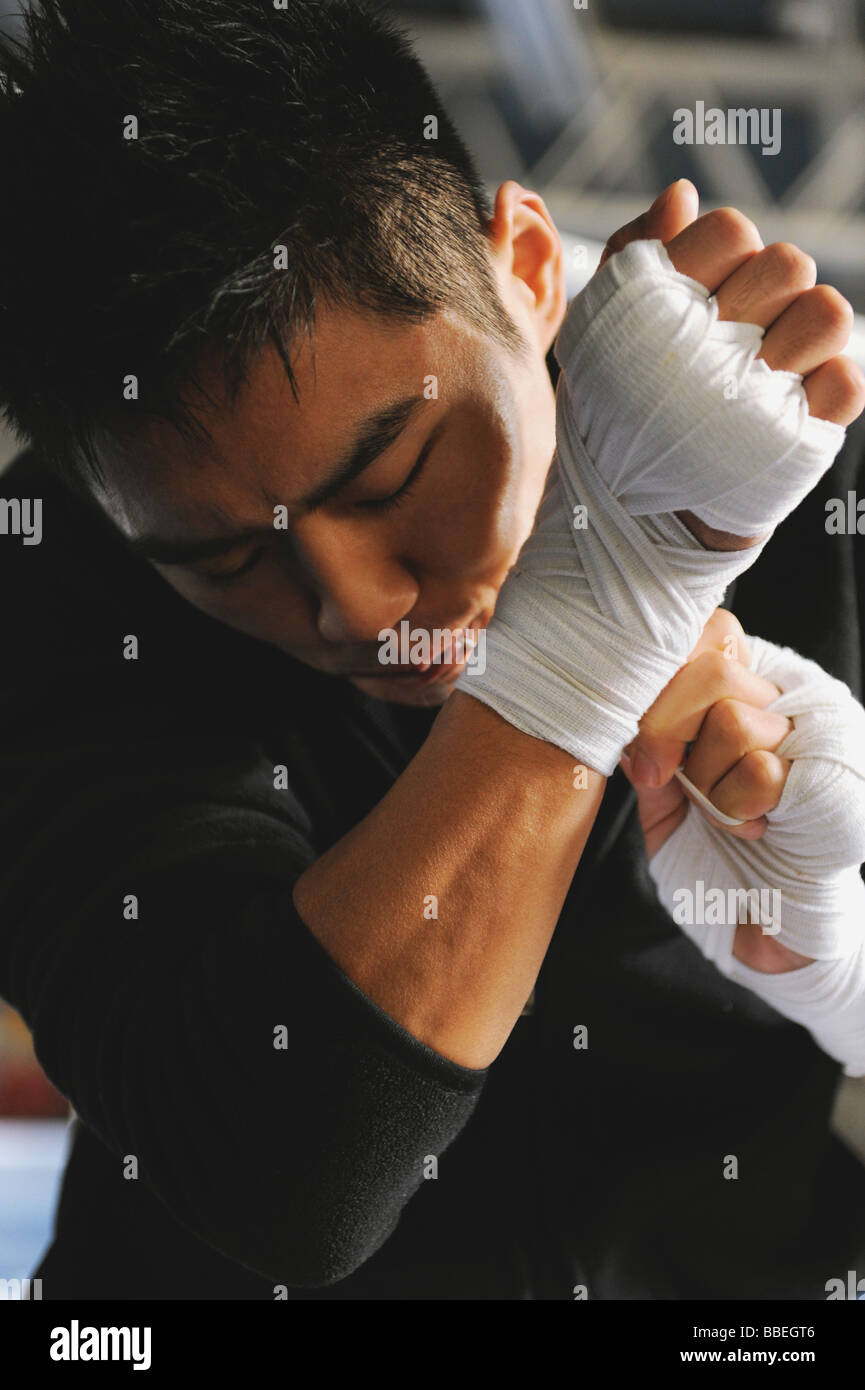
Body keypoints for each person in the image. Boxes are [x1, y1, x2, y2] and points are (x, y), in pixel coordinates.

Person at [1, 0, 864, 1301]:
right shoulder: (61, 594)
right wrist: (605, 617)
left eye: (394, 470)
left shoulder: (786, 456)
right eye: (228, 557)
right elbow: (296, 1168)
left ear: (524, 264)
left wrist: (827, 956)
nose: (350, 606)